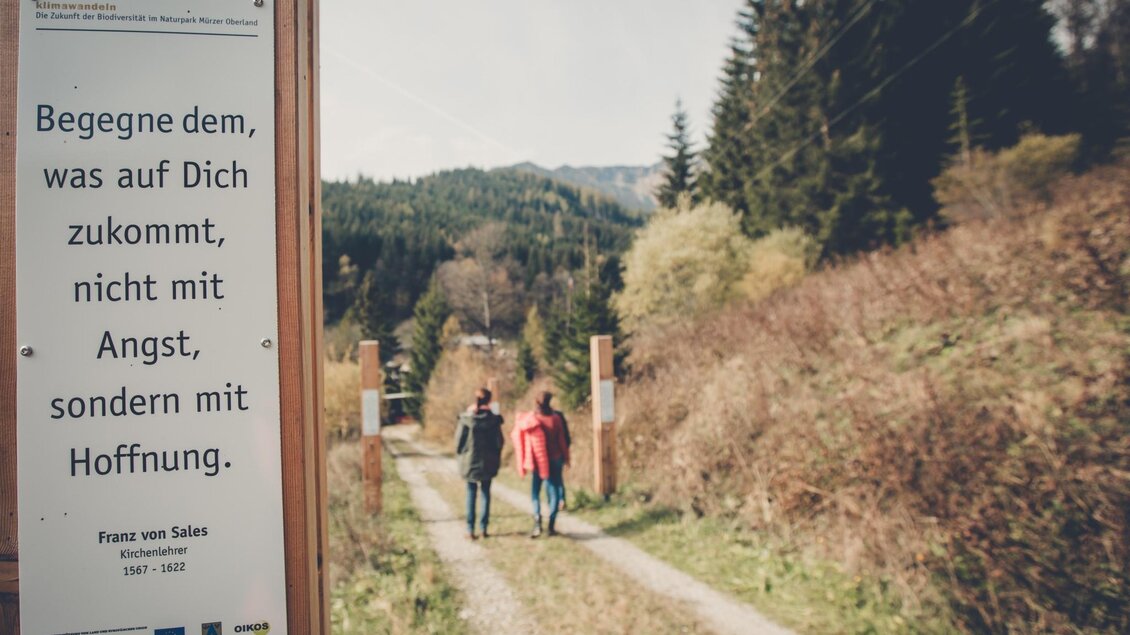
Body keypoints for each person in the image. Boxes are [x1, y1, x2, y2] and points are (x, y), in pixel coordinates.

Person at [511, 391, 569, 537]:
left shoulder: (532, 419)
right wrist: (567, 457)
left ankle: (537, 521)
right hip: (555, 458)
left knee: (535, 492)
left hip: (537, 460)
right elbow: (562, 440)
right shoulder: (555, 419)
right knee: (554, 491)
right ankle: (551, 524)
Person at [454, 388, 504, 539]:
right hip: (488, 461)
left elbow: (458, 442)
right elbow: (499, 442)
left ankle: (470, 529)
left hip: (470, 461)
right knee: (485, 494)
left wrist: (462, 455)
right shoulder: (494, 420)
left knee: (470, 493)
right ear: (489, 400)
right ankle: (483, 528)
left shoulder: (467, 419)